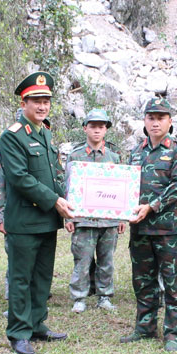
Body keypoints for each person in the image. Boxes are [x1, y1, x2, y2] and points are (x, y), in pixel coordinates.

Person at [0, 72, 73, 354]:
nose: (42, 106)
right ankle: (18, 332)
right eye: (36, 101)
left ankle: (37, 324)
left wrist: (67, 199)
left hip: (47, 220)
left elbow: (54, 175)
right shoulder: (12, 136)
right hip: (25, 220)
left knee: (42, 277)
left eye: (46, 101)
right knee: (21, 278)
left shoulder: (45, 133)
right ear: (24, 102)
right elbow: (20, 178)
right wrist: (55, 200)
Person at [122, 97, 177, 352]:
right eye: (151, 117)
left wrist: (151, 206)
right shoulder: (137, 151)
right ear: (144, 121)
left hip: (168, 230)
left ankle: (173, 333)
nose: (155, 122)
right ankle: (145, 326)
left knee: (173, 281)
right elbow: (126, 186)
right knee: (143, 280)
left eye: (161, 118)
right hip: (139, 229)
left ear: (170, 121)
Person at [65, 108, 123, 314]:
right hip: (84, 219)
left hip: (109, 220)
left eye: (101, 126)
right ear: (85, 128)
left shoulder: (114, 157)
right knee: (82, 260)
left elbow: (121, 188)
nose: (97, 130)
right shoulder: (75, 155)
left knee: (106, 260)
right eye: (93, 126)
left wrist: (122, 217)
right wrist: (68, 216)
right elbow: (68, 186)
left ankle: (104, 296)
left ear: (106, 129)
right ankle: (79, 297)